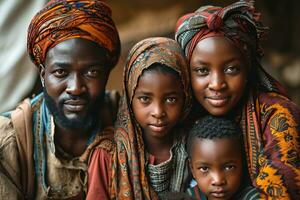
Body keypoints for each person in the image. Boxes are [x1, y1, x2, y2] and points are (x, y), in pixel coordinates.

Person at [175, 0, 300, 199]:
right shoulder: (181, 114)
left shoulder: (277, 115)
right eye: (202, 71)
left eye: (231, 69)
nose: (217, 84)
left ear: (248, 68)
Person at [0, 0, 120, 199]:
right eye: (61, 72)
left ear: (106, 73)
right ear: (42, 75)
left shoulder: (131, 121)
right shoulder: (9, 143)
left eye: (92, 72)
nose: (75, 88)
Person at [88, 37, 192, 199]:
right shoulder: (108, 154)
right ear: (129, 98)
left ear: (185, 97)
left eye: (171, 99)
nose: (158, 112)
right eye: (145, 99)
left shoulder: (193, 147)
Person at [187, 115, 259, 200]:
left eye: (229, 167)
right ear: (192, 169)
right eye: (204, 168)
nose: (218, 180)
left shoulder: (253, 197)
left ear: (242, 164)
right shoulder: (189, 196)